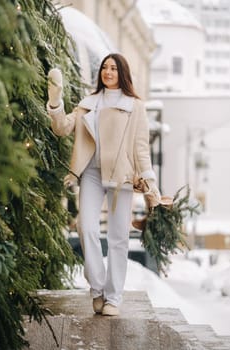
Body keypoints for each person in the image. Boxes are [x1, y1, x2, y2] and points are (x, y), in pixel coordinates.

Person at [47, 53, 161, 316]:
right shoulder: (88, 103)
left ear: (123, 73)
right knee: (86, 227)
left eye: (113, 68)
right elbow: (62, 128)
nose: (108, 72)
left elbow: (141, 148)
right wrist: (56, 101)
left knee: (118, 237)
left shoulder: (135, 106)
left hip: (121, 177)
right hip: (91, 174)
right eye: (104, 68)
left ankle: (113, 298)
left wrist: (150, 180)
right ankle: (97, 289)